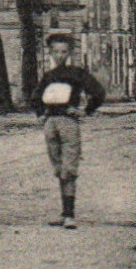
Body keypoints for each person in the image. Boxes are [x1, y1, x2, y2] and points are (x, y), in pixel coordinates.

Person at [32, 32, 106, 229]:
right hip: (51, 123)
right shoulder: (48, 76)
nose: (60, 55)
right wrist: (41, 114)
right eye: (55, 51)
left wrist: (84, 111)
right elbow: (36, 97)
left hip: (68, 122)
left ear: (70, 52)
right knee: (58, 167)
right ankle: (64, 212)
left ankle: (70, 215)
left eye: (64, 51)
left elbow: (98, 93)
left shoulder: (77, 73)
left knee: (69, 168)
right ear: (50, 53)